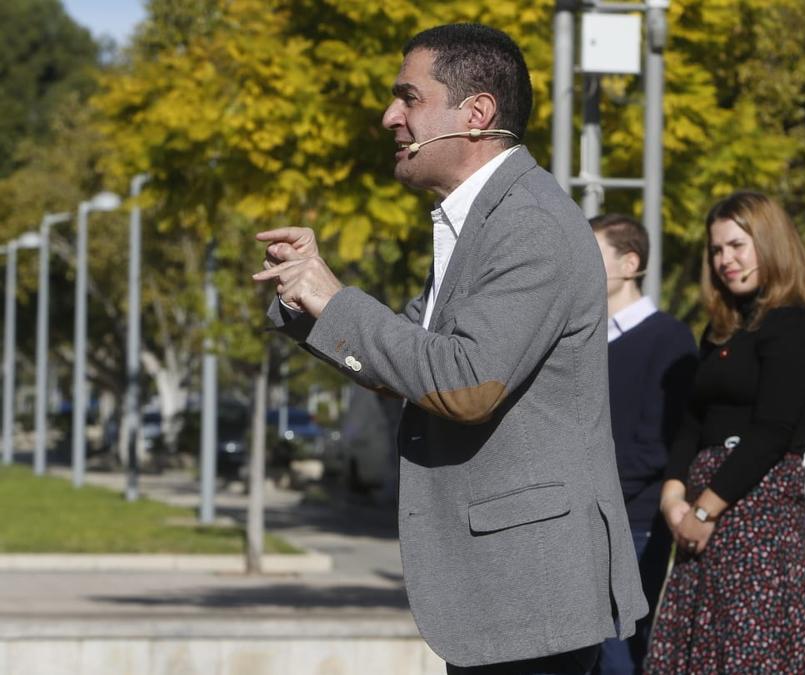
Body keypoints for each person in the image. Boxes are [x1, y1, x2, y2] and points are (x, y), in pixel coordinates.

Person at [252, 23, 647, 673]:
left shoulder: (530, 224)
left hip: (532, 595)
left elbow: (466, 385)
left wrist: (336, 298)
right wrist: (306, 305)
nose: (390, 116)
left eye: (408, 97)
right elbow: (409, 364)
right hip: (506, 597)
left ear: (476, 113)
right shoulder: (483, 221)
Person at [644, 190, 805, 673]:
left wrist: (704, 512)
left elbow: (771, 433)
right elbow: (693, 421)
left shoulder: (794, 327)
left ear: (769, 244)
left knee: (752, 653)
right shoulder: (722, 331)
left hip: (756, 516)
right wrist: (673, 497)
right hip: (701, 518)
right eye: (716, 250)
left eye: (736, 246)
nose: (725, 260)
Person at [588, 214, 697, 674]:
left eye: (591, 256)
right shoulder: (583, 337)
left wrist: (597, 491)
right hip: (581, 521)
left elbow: (660, 443)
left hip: (634, 523)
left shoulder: (670, 338)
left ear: (630, 262)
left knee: (619, 653)